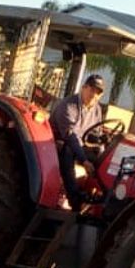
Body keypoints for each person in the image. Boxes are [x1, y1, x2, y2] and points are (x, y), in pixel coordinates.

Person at [49, 72, 106, 207]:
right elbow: (70, 136)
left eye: (98, 93)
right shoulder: (68, 105)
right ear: (83, 88)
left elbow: (96, 135)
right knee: (68, 150)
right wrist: (84, 160)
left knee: (103, 158)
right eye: (92, 90)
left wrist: (102, 155)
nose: (94, 95)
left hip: (79, 145)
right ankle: (75, 198)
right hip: (54, 144)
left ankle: (102, 196)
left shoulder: (97, 110)